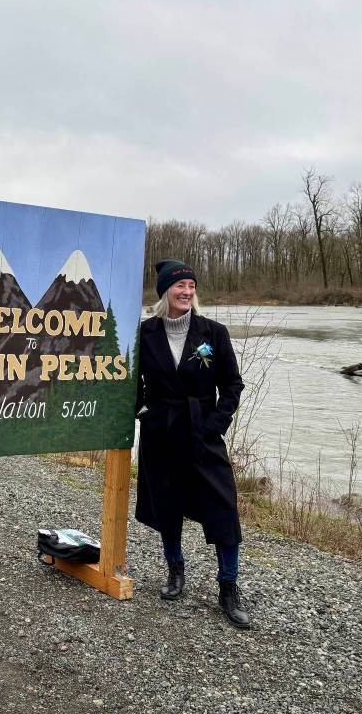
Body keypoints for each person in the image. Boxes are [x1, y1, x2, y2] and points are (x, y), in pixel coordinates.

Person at [134, 258, 251, 629]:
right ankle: (175, 571)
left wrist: (216, 424)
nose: (186, 292)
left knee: (222, 506)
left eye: (191, 286)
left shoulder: (213, 333)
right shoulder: (144, 333)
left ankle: (228, 587)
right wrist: (139, 415)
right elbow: (131, 384)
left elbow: (232, 385)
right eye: (179, 286)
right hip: (162, 431)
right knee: (167, 505)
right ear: (165, 291)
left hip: (203, 432)